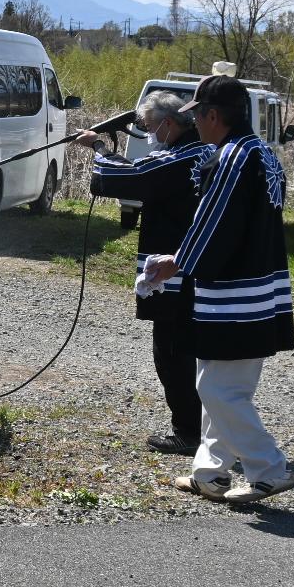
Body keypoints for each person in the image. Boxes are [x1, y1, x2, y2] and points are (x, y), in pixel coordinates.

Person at [143, 74, 294, 504]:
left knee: (215, 389)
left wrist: (175, 263)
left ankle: (269, 468)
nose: (195, 125)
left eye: (198, 116)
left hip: (234, 294)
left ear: (214, 115)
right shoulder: (263, 153)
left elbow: (212, 221)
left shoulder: (231, 157)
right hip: (263, 289)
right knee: (225, 388)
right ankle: (210, 473)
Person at [76, 90, 216, 455]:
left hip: (179, 271)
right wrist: (104, 150)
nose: (150, 134)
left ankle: (188, 431)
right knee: (183, 351)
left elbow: (137, 178)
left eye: (152, 127)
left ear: (169, 124)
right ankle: (200, 428)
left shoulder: (184, 157)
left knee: (171, 351)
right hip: (195, 267)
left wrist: (100, 151)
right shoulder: (195, 152)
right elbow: (145, 172)